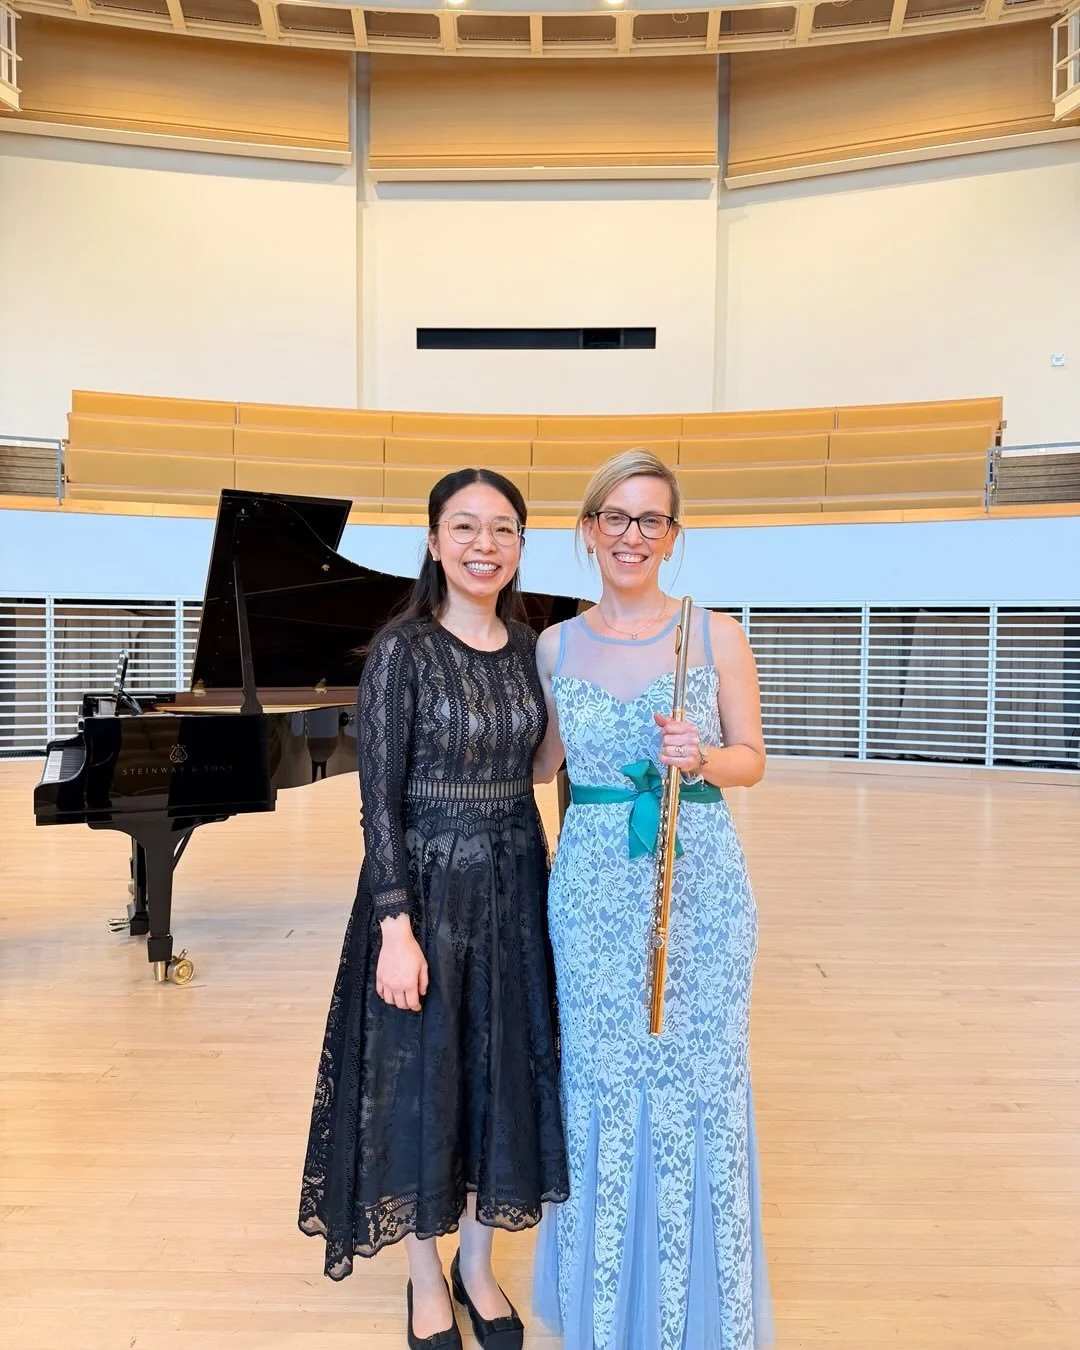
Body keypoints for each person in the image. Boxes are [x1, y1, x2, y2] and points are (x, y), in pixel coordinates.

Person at [299, 468, 568, 1350]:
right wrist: (394, 926)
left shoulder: (535, 647)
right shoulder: (402, 651)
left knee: (504, 1070)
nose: (484, 544)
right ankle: (423, 1272)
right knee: (422, 1079)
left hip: (515, 881)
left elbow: (535, 769)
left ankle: (477, 1262)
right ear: (433, 541)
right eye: (465, 526)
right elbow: (379, 800)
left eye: (503, 529)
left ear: (521, 545)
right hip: (423, 892)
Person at [532, 448, 774, 1350]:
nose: (633, 536)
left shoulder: (714, 636)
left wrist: (701, 758)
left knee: (693, 1085)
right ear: (590, 529)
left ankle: (685, 1317)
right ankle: (605, 1311)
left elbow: (752, 757)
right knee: (599, 1081)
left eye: (653, 521)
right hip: (593, 888)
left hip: (698, 883)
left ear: (673, 537)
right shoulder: (555, 645)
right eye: (616, 518)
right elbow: (539, 763)